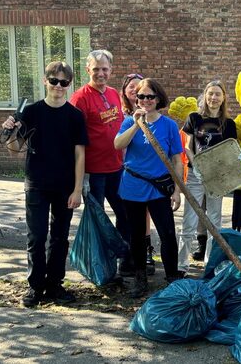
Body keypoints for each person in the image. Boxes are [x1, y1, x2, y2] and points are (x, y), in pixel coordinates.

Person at [1, 61, 88, 307]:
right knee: (37, 237)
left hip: (65, 186)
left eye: (64, 83)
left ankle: (54, 285)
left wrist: (77, 189)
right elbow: (15, 149)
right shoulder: (31, 112)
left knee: (59, 237)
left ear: (69, 85)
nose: (58, 86)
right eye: (54, 81)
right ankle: (35, 286)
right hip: (36, 183)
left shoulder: (74, 116)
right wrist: (10, 130)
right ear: (45, 81)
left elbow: (80, 154)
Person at [114, 78, 183, 298]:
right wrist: (136, 124)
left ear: (158, 98)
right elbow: (118, 145)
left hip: (159, 186)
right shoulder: (129, 122)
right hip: (133, 185)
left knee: (167, 234)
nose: (145, 100)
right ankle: (140, 278)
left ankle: (171, 277)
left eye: (150, 96)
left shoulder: (169, 125)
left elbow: (176, 158)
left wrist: (177, 189)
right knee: (136, 235)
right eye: (141, 96)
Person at [70, 50, 132, 276]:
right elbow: (74, 139)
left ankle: (124, 260)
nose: (100, 73)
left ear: (111, 70)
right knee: (99, 220)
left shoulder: (115, 94)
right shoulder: (80, 98)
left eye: (105, 69)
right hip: (93, 172)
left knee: (124, 214)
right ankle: (101, 265)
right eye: (96, 69)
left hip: (116, 167)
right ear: (87, 70)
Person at [178, 80, 237, 269]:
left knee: (214, 222)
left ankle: (210, 265)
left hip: (216, 177)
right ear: (205, 95)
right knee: (189, 220)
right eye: (210, 93)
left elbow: (230, 151)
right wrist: (197, 164)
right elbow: (188, 146)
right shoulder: (194, 118)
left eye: (217, 94)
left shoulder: (228, 124)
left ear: (223, 98)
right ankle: (181, 265)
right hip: (196, 175)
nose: (213, 97)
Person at [120, 73, 156, 275]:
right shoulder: (122, 114)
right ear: (125, 91)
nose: (135, 90)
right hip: (119, 167)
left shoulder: (149, 111)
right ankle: (128, 254)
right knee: (127, 214)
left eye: (138, 87)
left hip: (141, 172)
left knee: (145, 213)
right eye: (131, 87)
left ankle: (146, 251)